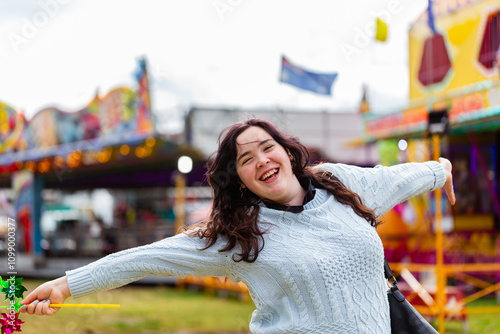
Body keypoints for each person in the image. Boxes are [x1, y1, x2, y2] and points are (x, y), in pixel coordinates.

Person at [21, 118, 455, 333]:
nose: (262, 160)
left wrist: (441, 168)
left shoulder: (343, 183)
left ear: (287, 152)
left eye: (268, 148)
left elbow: (398, 177)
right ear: (239, 179)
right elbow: (148, 258)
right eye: (247, 159)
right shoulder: (239, 235)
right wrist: (67, 285)